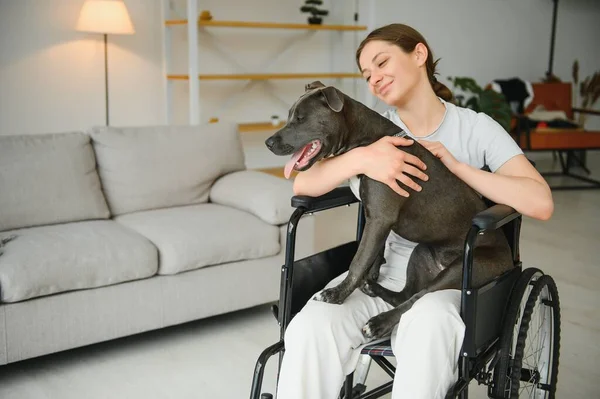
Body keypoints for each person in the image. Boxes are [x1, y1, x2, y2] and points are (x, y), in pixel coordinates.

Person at [276, 23, 554, 399]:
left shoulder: (475, 128)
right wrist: (363, 158)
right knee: (312, 327)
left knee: (428, 326)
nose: (374, 78)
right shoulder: (363, 129)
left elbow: (541, 202)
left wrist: (460, 169)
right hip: (388, 274)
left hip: (457, 277)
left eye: (381, 62)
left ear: (419, 55)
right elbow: (303, 185)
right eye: (366, 74)